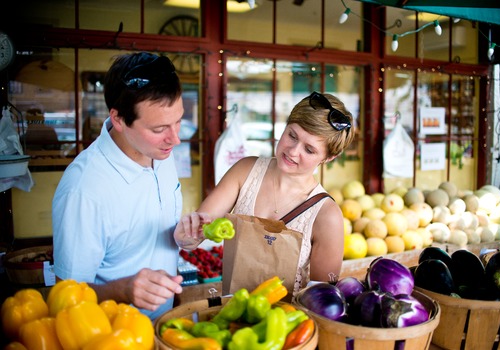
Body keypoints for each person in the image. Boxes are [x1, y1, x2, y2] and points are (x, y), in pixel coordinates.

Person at [174, 91, 355, 296]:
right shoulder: (245, 171)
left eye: (309, 150)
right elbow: (194, 235)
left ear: (329, 158)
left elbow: (323, 299)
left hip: (286, 324)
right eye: (292, 135)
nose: (293, 151)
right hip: (231, 315)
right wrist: (185, 236)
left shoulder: (327, 215)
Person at [52, 52, 185, 320]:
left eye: (178, 121)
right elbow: (64, 298)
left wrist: (186, 234)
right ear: (119, 119)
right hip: (110, 335)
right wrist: (121, 289)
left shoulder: (161, 154)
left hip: (162, 325)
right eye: (160, 128)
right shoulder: (84, 189)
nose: (175, 138)